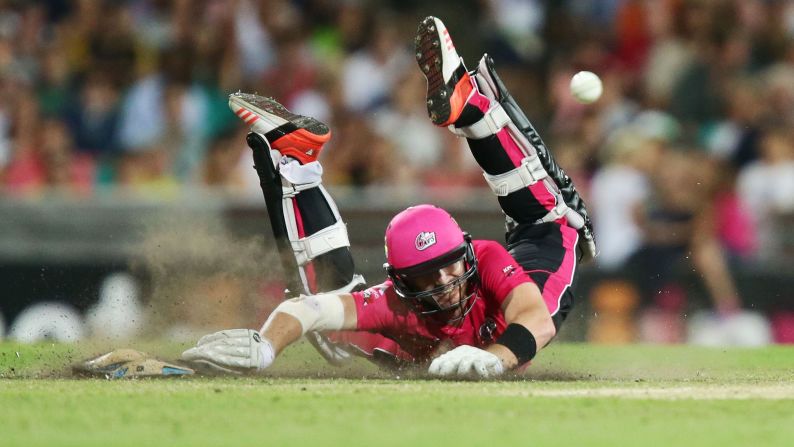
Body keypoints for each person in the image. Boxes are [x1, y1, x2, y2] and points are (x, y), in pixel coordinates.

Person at [182, 17, 595, 378]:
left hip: (497, 323)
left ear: (466, 253)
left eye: (449, 268)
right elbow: (311, 311)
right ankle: (294, 161)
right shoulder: (392, 302)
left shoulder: (487, 259)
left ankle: (473, 108)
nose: (445, 285)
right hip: (424, 352)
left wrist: (496, 359)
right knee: (331, 333)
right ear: (399, 282)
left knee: (557, 225)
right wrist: (267, 345)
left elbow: (536, 321)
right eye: (426, 277)